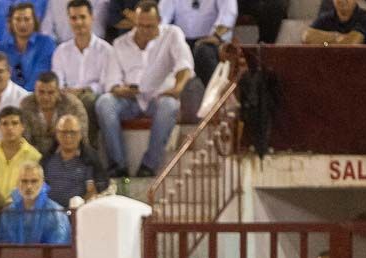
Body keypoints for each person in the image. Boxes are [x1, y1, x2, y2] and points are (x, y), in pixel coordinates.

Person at [96, 0, 193, 178]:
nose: (145, 30)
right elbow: (112, 83)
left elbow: (184, 65)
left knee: (169, 105)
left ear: (159, 21)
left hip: (159, 97)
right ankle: (118, 165)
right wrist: (121, 90)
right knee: (104, 102)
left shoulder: (172, 34)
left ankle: (148, 166)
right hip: (130, 101)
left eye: (149, 26)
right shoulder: (120, 43)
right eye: (140, 25)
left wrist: (177, 88)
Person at [52, 0, 112, 151]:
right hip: (66, 95)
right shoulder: (61, 51)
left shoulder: (106, 50)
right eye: (73, 18)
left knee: (87, 100)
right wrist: (68, 92)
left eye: (82, 17)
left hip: (92, 96)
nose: (78, 22)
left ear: (92, 18)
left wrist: (82, 91)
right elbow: (57, 82)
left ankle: (87, 150)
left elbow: (105, 84)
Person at [158, 0, 235, 85]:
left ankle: (217, 93)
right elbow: (161, 18)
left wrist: (216, 36)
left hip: (212, 41)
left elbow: (228, 15)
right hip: (182, 41)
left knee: (203, 51)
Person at [0, 161, 71, 243]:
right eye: (24, 181)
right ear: (17, 183)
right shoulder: (9, 212)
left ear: (42, 183)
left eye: (34, 181)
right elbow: (4, 245)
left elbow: (58, 248)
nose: (29, 186)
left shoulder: (56, 213)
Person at [0, 105, 41, 196]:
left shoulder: (34, 156)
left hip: (19, 208)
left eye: (14, 123)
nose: (10, 128)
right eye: (5, 123)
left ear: (22, 127)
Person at [43, 113, 106, 205]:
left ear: (80, 134)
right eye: (64, 132)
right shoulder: (47, 159)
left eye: (73, 132)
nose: (68, 136)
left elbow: (92, 191)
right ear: (57, 134)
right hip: (50, 212)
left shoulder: (90, 159)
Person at [20, 70, 85, 157]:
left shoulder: (72, 104)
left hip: (67, 153)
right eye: (41, 92)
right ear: (35, 91)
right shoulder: (26, 104)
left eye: (51, 92)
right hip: (34, 156)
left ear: (58, 92)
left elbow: (82, 135)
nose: (45, 97)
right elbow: (24, 139)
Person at [0, 2, 55, 91]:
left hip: (37, 95)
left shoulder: (46, 43)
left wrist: (22, 96)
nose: (22, 24)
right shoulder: (1, 48)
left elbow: (40, 74)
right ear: (11, 22)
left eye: (27, 19)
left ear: (35, 21)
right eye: (18, 19)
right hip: (9, 97)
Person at [302, 0, 366, 44]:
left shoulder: (365, 17)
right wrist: (336, 36)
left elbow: (353, 42)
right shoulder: (326, 17)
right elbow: (306, 37)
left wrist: (324, 43)